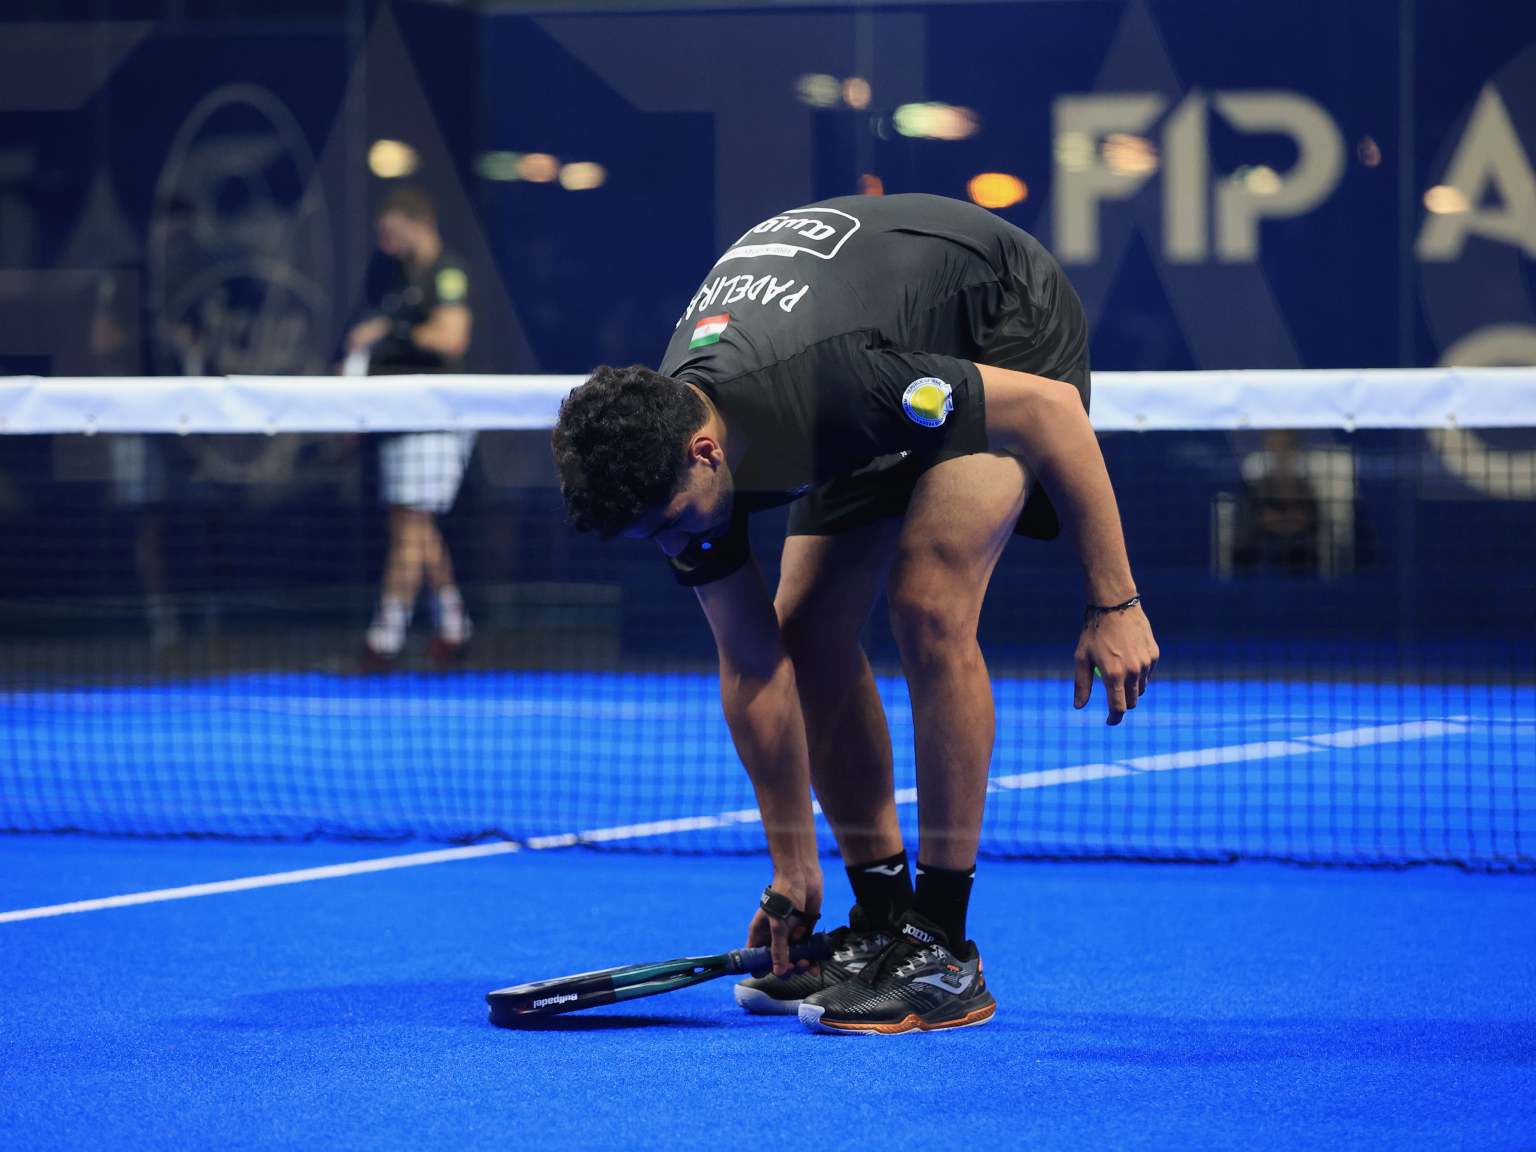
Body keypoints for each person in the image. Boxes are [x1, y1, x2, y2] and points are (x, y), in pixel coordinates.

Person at [552, 193, 1158, 1035]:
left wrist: (1114, 600)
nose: (674, 544)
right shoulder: (672, 455)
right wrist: (791, 866)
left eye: (673, 523)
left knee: (928, 602)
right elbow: (752, 662)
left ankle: (940, 947)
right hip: (878, 337)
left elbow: (1051, 413)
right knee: (805, 631)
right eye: (653, 535)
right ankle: (881, 918)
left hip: (998, 314)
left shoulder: (822, 385)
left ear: (707, 451)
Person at [342, 187, 476, 671]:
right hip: (401, 419)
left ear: (420, 222)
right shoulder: (401, 279)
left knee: (411, 526)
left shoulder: (447, 272)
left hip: (438, 421)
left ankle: (383, 639)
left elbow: (453, 338)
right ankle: (455, 627)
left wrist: (386, 331)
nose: (385, 244)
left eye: (391, 233)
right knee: (411, 523)